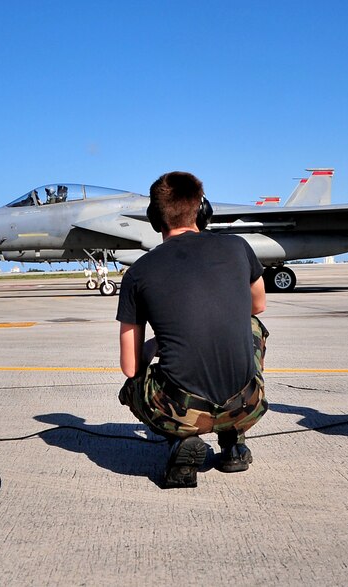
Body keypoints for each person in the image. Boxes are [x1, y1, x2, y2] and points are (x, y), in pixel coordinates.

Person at [116, 171, 269, 488]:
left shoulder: (138, 273)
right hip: (247, 406)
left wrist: (158, 343)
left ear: (155, 219)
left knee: (131, 386)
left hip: (183, 411)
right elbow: (258, 306)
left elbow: (130, 365)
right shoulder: (239, 248)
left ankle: (180, 440)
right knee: (252, 326)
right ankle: (234, 444)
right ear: (202, 210)